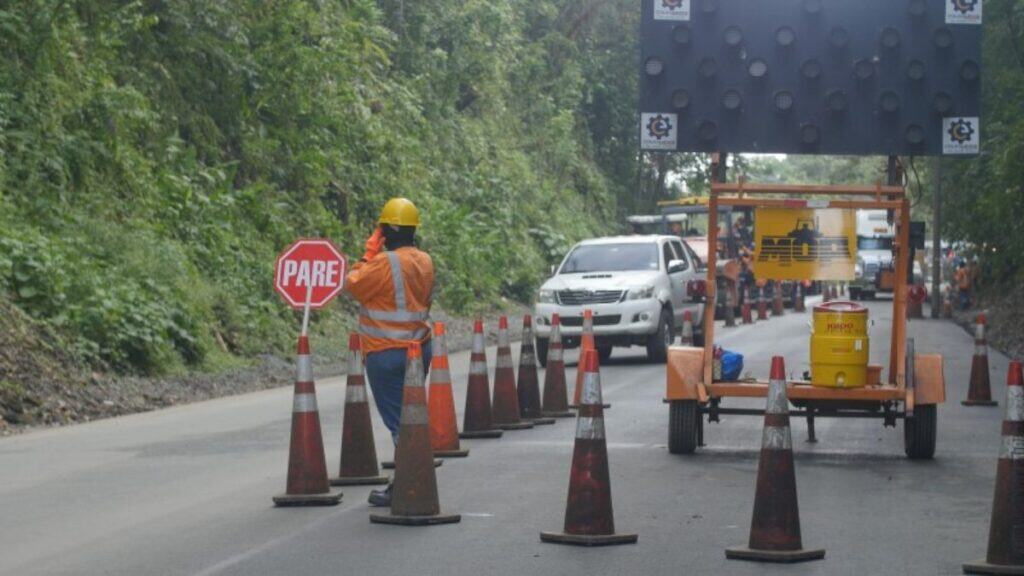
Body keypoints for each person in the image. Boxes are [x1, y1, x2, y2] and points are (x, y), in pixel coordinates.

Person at [345, 198, 434, 506]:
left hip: (386, 352)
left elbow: (354, 283)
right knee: (412, 416)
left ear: (386, 231)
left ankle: (407, 484)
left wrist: (368, 252)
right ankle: (413, 474)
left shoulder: (384, 262)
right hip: (419, 348)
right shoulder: (425, 260)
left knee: (400, 422)